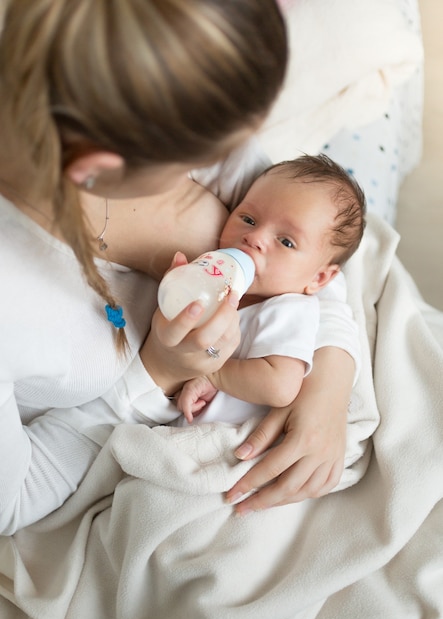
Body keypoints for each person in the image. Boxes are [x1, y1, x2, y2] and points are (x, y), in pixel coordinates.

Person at [0, 0, 356, 535]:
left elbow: (311, 235)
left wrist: (328, 380)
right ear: (94, 170)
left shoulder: (152, 76)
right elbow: (14, 502)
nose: (238, 166)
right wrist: (160, 371)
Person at [175, 154, 366, 425]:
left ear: (320, 278)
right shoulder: (219, 288)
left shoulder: (289, 308)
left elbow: (280, 385)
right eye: (249, 219)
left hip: (239, 442)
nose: (254, 238)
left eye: (286, 242)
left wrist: (213, 374)